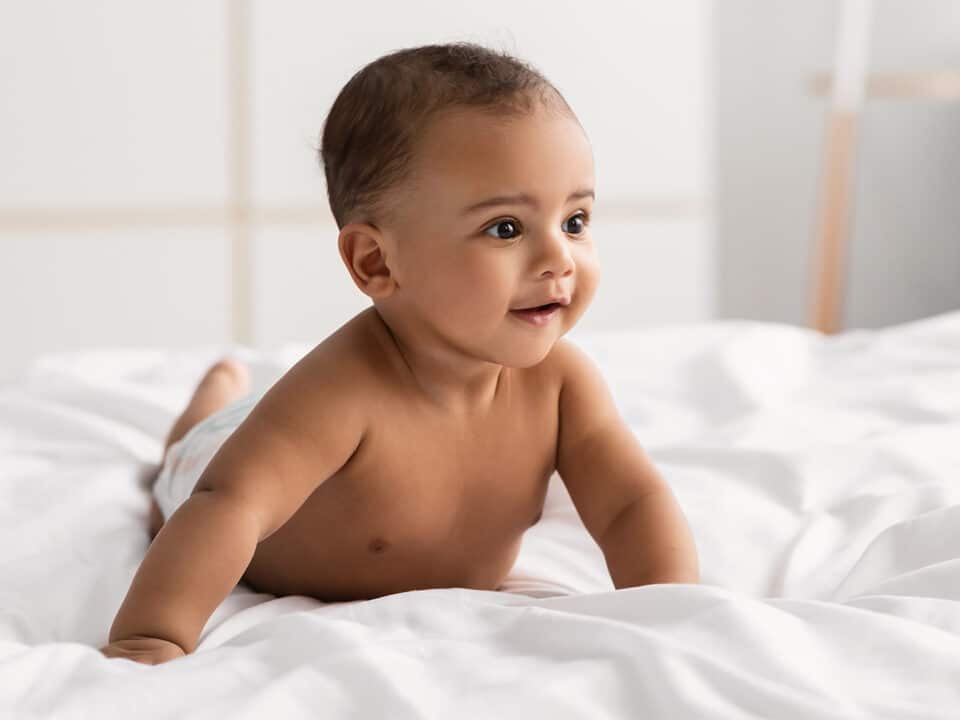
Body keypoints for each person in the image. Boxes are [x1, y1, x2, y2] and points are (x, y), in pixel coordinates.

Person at [99, 41, 699, 666]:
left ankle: (224, 393)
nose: (558, 259)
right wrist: (153, 635)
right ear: (376, 261)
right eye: (506, 229)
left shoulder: (563, 385)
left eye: (575, 221)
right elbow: (229, 505)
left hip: (269, 449)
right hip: (215, 466)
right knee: (198, 453)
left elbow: (631, 503)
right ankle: (207, 405)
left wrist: (673, 611)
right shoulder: (341, 392)